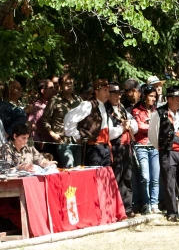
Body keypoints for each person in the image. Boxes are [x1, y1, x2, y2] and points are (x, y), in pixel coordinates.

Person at [148, 86, 179, 222]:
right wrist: (163, 147)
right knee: (169, 183)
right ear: (170, 98)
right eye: (178, 97)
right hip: (167, 152)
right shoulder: (159, 113)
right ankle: (172, 212)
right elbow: (153, 134)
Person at [64, 79, 117, 167]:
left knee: (105, 176)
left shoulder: (105, 106)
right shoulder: (87, 105)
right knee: (94, 176)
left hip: (105, 147)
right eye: (105, 90)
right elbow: (69, 119)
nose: (108, 94)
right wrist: (77, 136)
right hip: (94, 149)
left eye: (108, 91)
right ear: (96, 92)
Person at [105, 82, 138, 217]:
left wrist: (130, 125)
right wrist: (123, 128)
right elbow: (109, 132)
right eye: (115, 94)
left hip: (126, 147)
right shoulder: (105, 110)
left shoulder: (122, 108)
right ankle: (115, 210)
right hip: (115, 148)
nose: (119, 96)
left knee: (127, 178)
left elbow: (135, 126)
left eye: (120, 93)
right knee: (116, 179)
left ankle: (127, 209)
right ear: (109, 95)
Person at [39, 74, 83, 168]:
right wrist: (52, 134)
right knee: (69, 167)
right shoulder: (55, 100)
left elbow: (83, 119)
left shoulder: (78, 100)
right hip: (62, 140)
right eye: (66, 83)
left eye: (71, 83)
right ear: (61, 86)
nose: (69, 86)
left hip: (77, 140)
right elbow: (45, 119)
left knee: (79, 169)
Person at [132, 85, 160, 214]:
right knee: (145, 177)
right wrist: (153, 126)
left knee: (155, 177)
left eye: (155, 96)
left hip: (154, 146)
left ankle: (154, 204)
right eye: (151, 96)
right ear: (144, 96)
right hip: (141, 146)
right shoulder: (136, 110)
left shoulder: (157, 110)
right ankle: (146, 203)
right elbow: (139, 126)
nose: (153, 98)